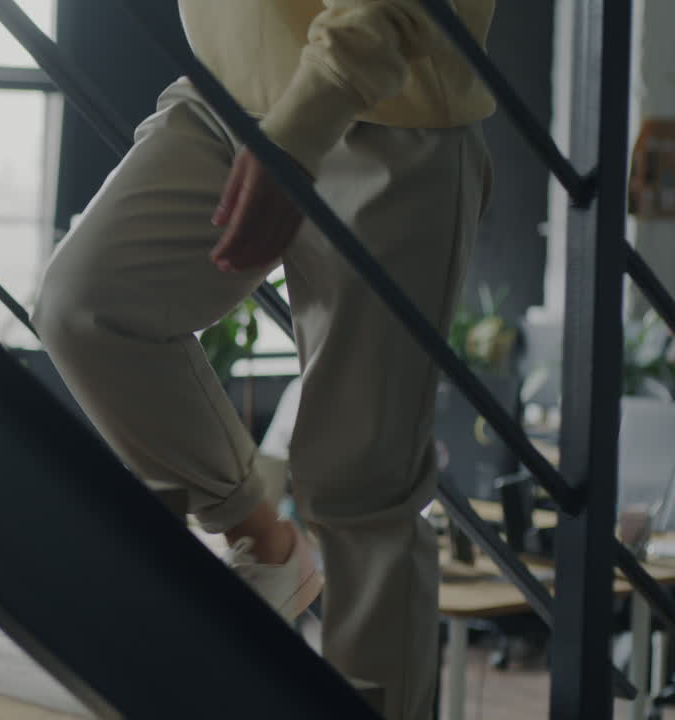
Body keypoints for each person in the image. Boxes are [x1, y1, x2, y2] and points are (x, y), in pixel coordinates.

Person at [31, 2, 496, 718]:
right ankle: (266, 542)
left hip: (394, 108)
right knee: (84, 305)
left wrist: (307, 122)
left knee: (361, 487)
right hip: (226, 94)